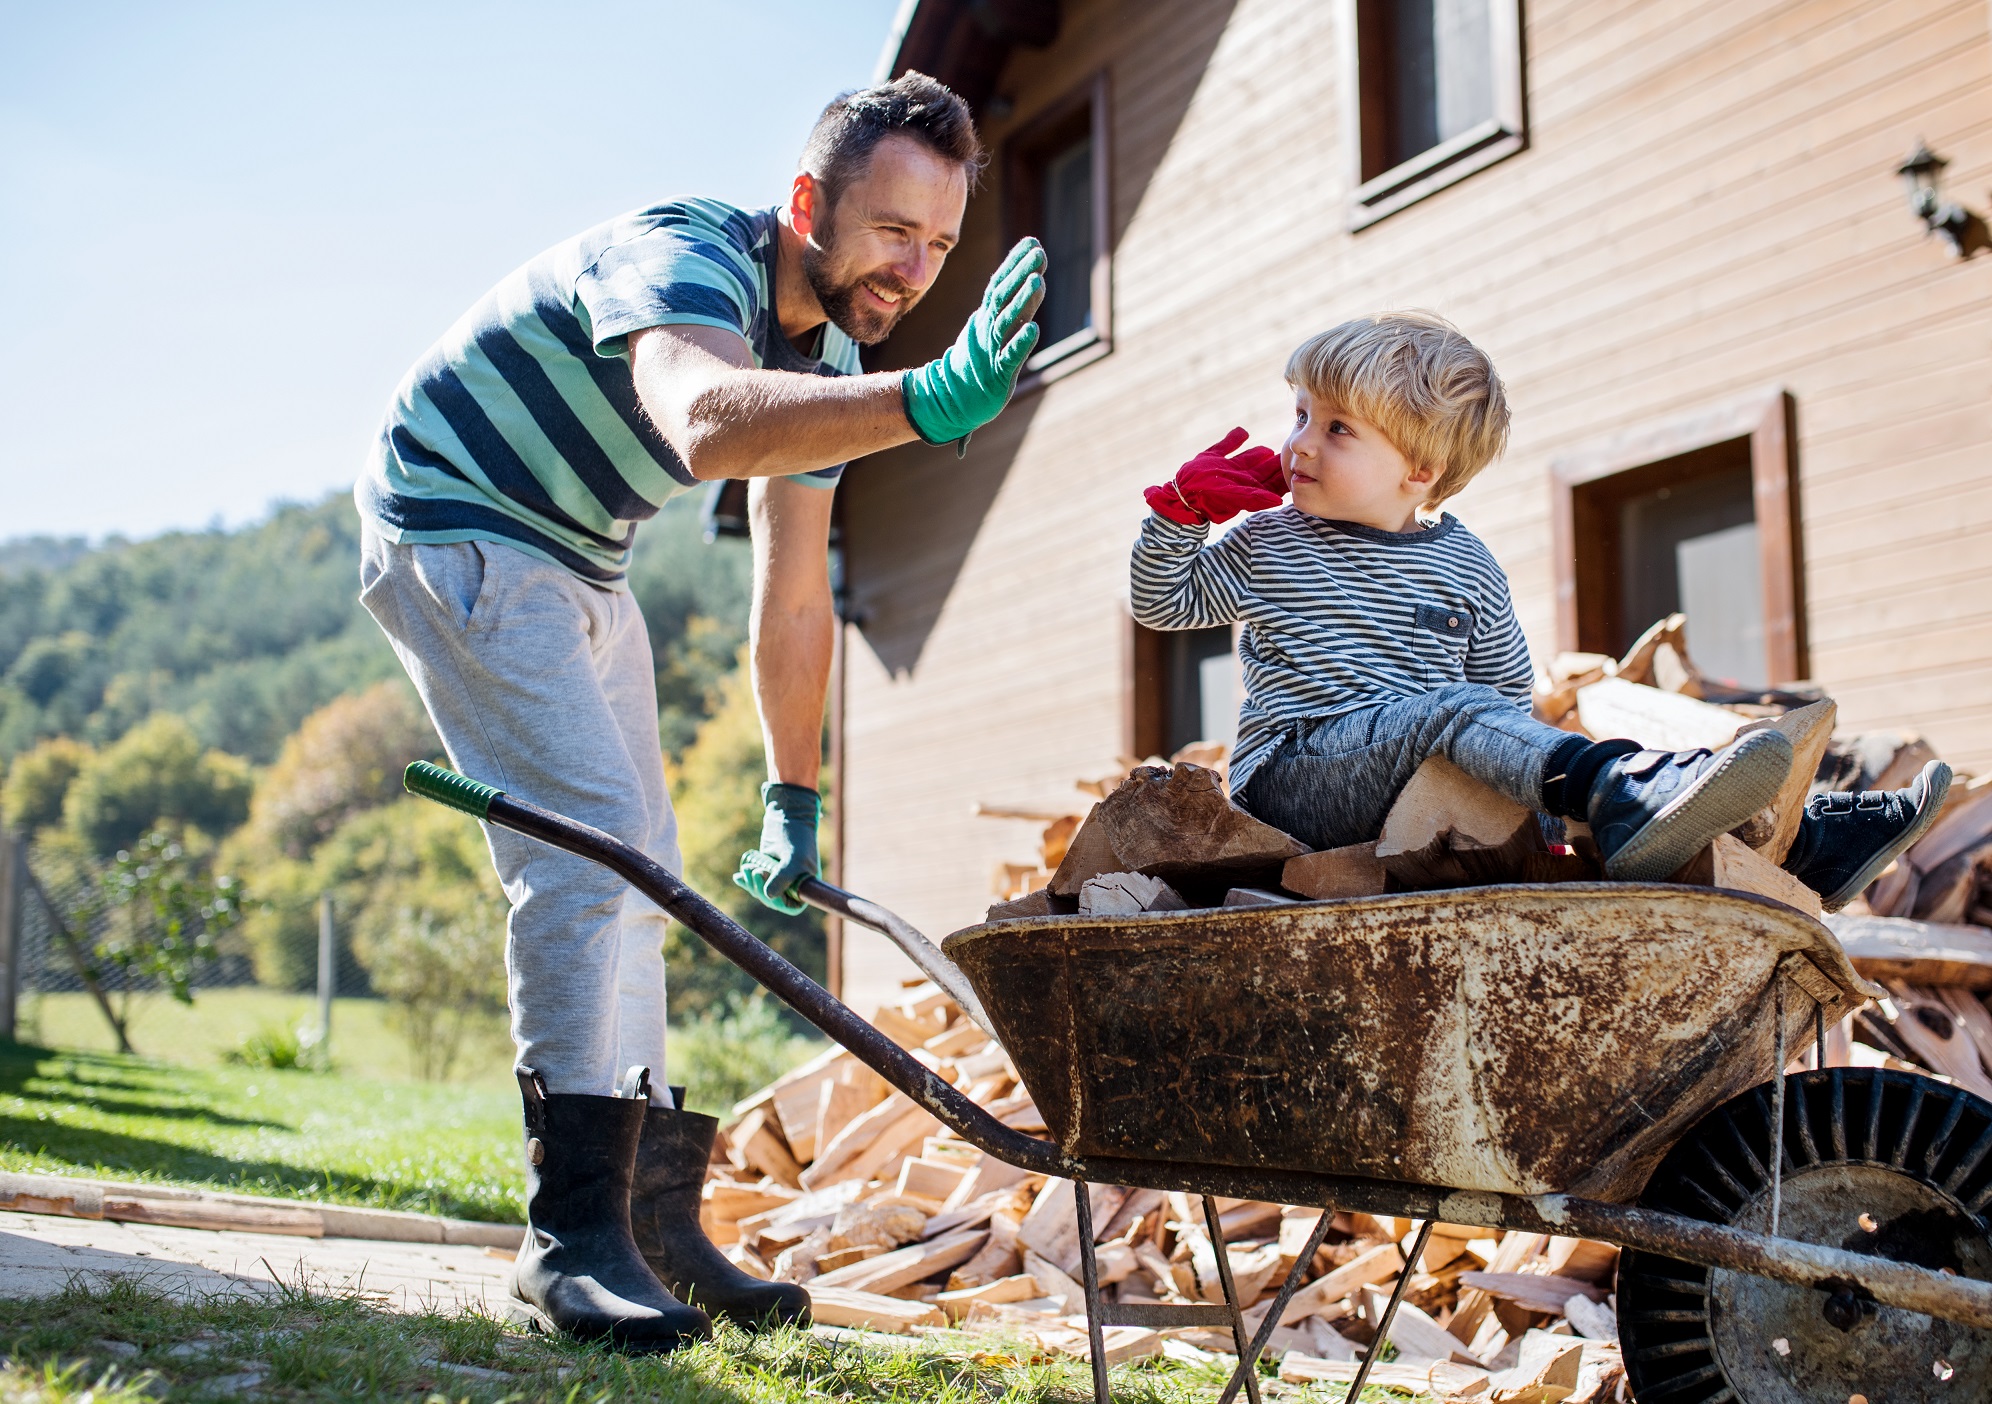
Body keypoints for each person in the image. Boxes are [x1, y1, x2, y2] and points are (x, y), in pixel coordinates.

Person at [353, 73, 1044, 1350]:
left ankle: (654, 1225)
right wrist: (926, 400)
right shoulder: (685, 258)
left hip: (577, 555)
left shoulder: (831, 362)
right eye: (894, 231)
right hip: (456, 521)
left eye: (940, 245)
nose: (915, 271)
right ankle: (567, 1238)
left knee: (649, 870)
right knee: (591, 847)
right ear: (806, 204)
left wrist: (795, 793)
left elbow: (794, 597)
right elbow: (704, 420)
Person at [1128, 313, 1949, 904]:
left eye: (1337, 428)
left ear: (1420, 469)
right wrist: (1177, 516)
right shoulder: (1273, 542)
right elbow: (1163, 603)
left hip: (1423, 780)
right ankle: (1623, 790)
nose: (1298, 443)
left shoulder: (1464, 562)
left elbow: (1509, 699)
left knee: (1492, 731)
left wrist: (1537, 817)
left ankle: (1802, 846)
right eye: (1299, 413)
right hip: (1298, 775)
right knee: (1458, 716)